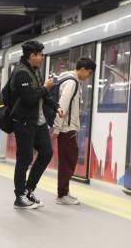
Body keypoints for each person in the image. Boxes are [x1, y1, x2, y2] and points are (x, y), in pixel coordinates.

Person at [10, 41, 63, 209]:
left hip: (38, 121)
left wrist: (56, 106)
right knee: (25, 158)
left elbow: (42, 96)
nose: (42, 57)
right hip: (24, 121)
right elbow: (29, 99)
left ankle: (29, 189)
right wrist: (46, 88)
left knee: (46, 153)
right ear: (31, 55)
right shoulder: (21, 73)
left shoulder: (35, 71)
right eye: (40, 54)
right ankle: (19, 196)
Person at [52, 57, 96, 205]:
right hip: (66, 129)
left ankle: (64, 191)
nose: (88, 77)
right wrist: (57, 127)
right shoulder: (71, 82)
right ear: (82, 70)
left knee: (69, 160)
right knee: (68, 161)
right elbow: (62, 105)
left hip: (68, 128)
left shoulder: (69, 80)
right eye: (88, 73)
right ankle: (62, 195)